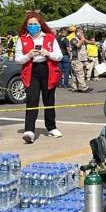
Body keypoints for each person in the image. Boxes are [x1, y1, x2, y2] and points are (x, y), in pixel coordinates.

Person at [15, 11, 64, 144]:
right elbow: (18, 59)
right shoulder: (22, 39)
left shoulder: (49, 37)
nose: (33, 26)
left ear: (40, 25)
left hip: (48, 70)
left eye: (35, 24)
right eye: (30, 24)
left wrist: (47, 53)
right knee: (32, 100)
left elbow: (59, 56)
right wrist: (28, 55)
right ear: (26, 26)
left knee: (49, 100)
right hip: (31, 71)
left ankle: (51, 127)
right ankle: (29, 130)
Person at [69, 28, 92, 93]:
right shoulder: (73, 40)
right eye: (81, 33)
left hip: (80, 59)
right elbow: (78, 45)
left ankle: (75, 87)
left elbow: (87, 41)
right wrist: (82, 39)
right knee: (79, 73)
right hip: (76, 59)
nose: (82, 34)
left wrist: (92, 42)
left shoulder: (80, 39)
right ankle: (84, 87)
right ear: (77, 33)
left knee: (76, 74)